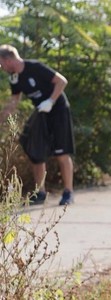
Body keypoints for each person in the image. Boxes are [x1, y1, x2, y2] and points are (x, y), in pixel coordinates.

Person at [0, 44, 75, 206]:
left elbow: (62, 81)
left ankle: (68, 192)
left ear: (8, 59)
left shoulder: (34, 67)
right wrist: (2, 118)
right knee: (34, 150)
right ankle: (40, 193)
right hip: (41, 113)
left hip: (58, 109)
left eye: (1, 63)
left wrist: (51, 101)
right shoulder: (14, 77)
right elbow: (14, 101)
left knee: (62, 152)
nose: (2, 67)